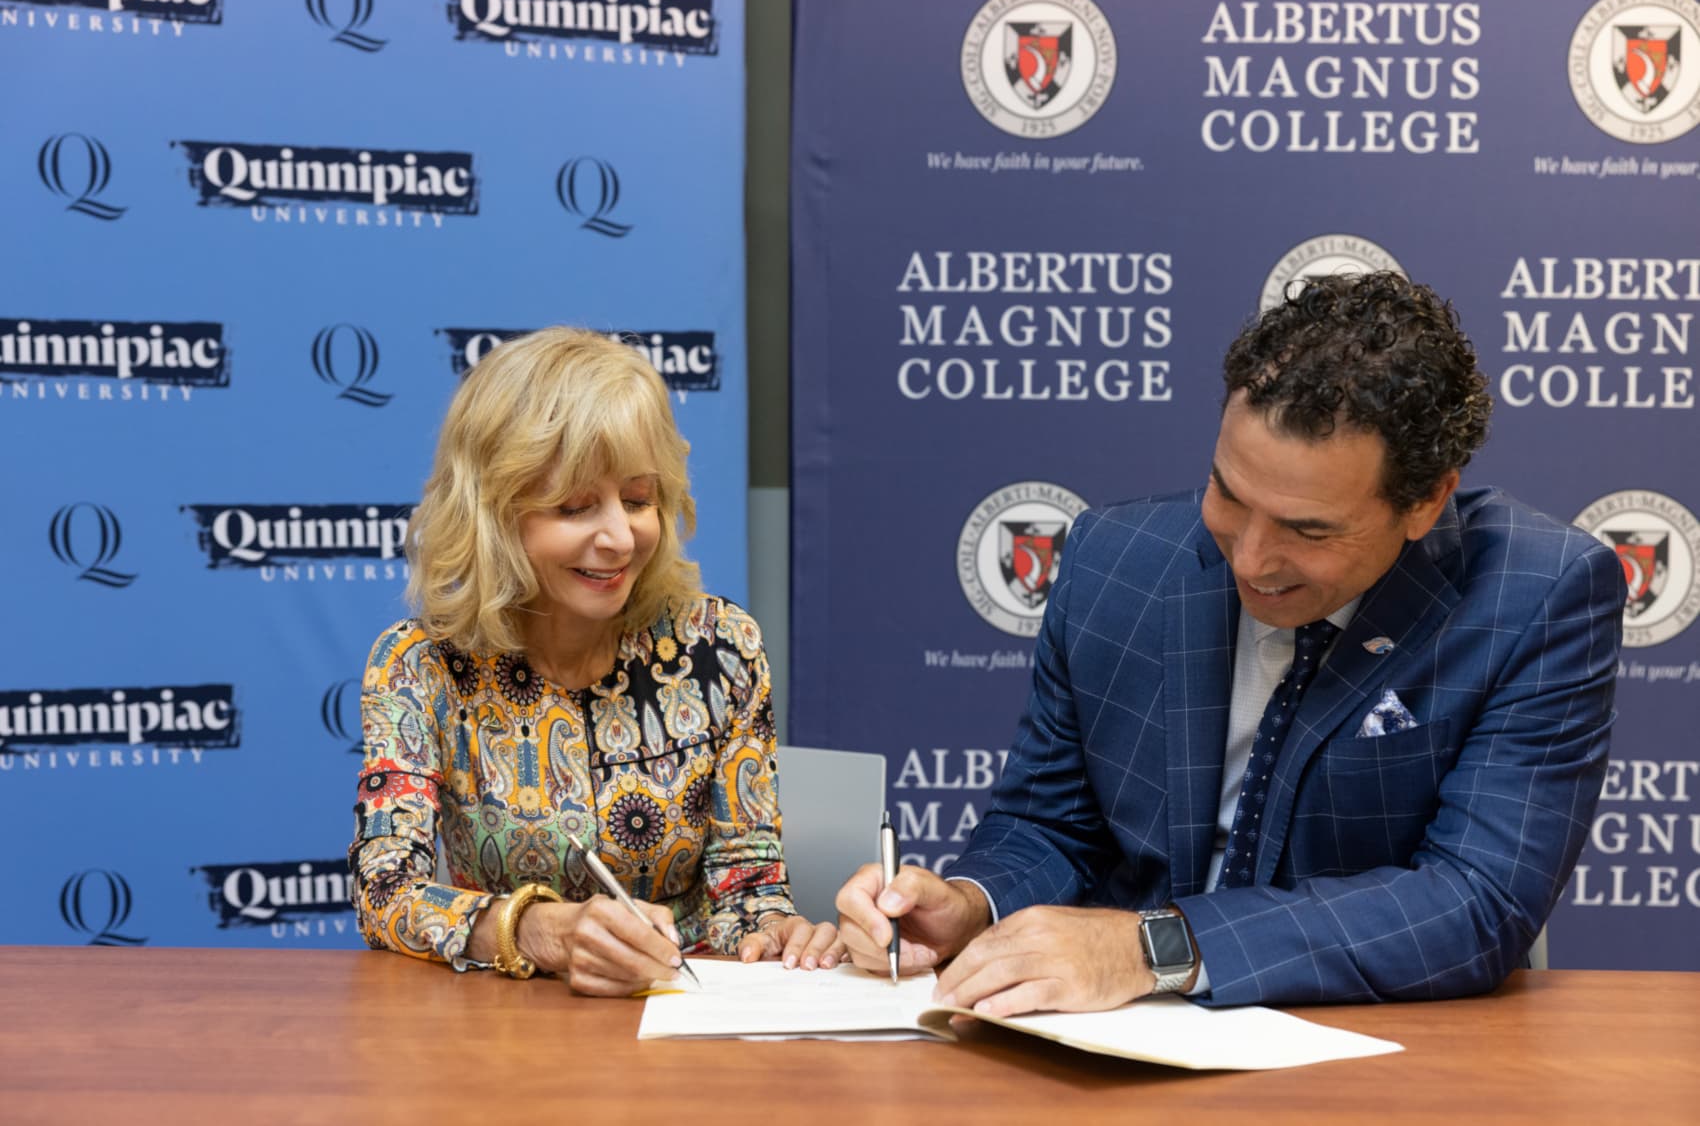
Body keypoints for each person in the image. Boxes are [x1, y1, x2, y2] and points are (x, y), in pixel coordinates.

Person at [838, 271, 1623, 1013]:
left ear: (1425, 501)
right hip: (1113, 1042)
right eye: (1228, 493)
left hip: (1374, 1053)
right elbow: (1050, 826)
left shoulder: (1538, 594)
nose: (1248, 558)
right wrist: (974, 906)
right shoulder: (1113, 562)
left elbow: (1473, 902)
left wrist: (1155, 946)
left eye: (1306, 530)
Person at [350, 326, 840, 993]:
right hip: (500, 1038)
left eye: (638, 501)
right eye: (576, 506)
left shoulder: (721, 647)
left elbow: (747, 885)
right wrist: (535, 930)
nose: (618, 537)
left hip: (682, 1024)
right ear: (493, 514)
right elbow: (386, 893)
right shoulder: (419, 665)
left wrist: (773, 931)